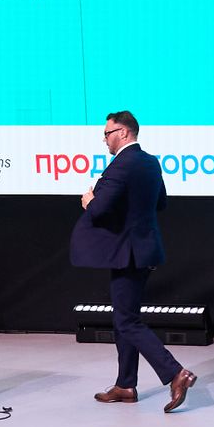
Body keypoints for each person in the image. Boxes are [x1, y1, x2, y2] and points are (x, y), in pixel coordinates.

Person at [71, 111, 196, 411]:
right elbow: (160, 202)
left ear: (123, 133)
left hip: (127, 253)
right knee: (123, 318)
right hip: (145, 249)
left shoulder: (120, 165)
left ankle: (175, 373)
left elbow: (99, 210)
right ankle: (126, 385)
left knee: (127, 320)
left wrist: (89, 201)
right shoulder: (150, 162)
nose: (105, 139)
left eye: (107, 133)